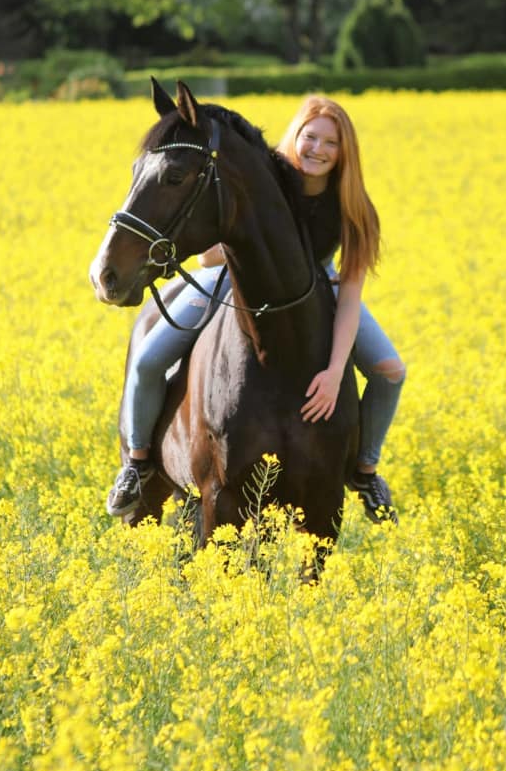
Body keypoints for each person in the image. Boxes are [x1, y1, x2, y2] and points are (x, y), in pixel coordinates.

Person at [106, 97, 405, 523]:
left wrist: (336, 372)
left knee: (392, 371)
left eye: (330, 142)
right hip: (235, 275)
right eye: (310, 136)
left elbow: (352, 290)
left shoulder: (352, 204)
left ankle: (365, 471)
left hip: (321, 284)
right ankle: (136, 466)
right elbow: (213, 251)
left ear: (344, 151)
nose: (317, 149)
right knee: (149, 359)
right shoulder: (271, 180)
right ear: (296, 137)